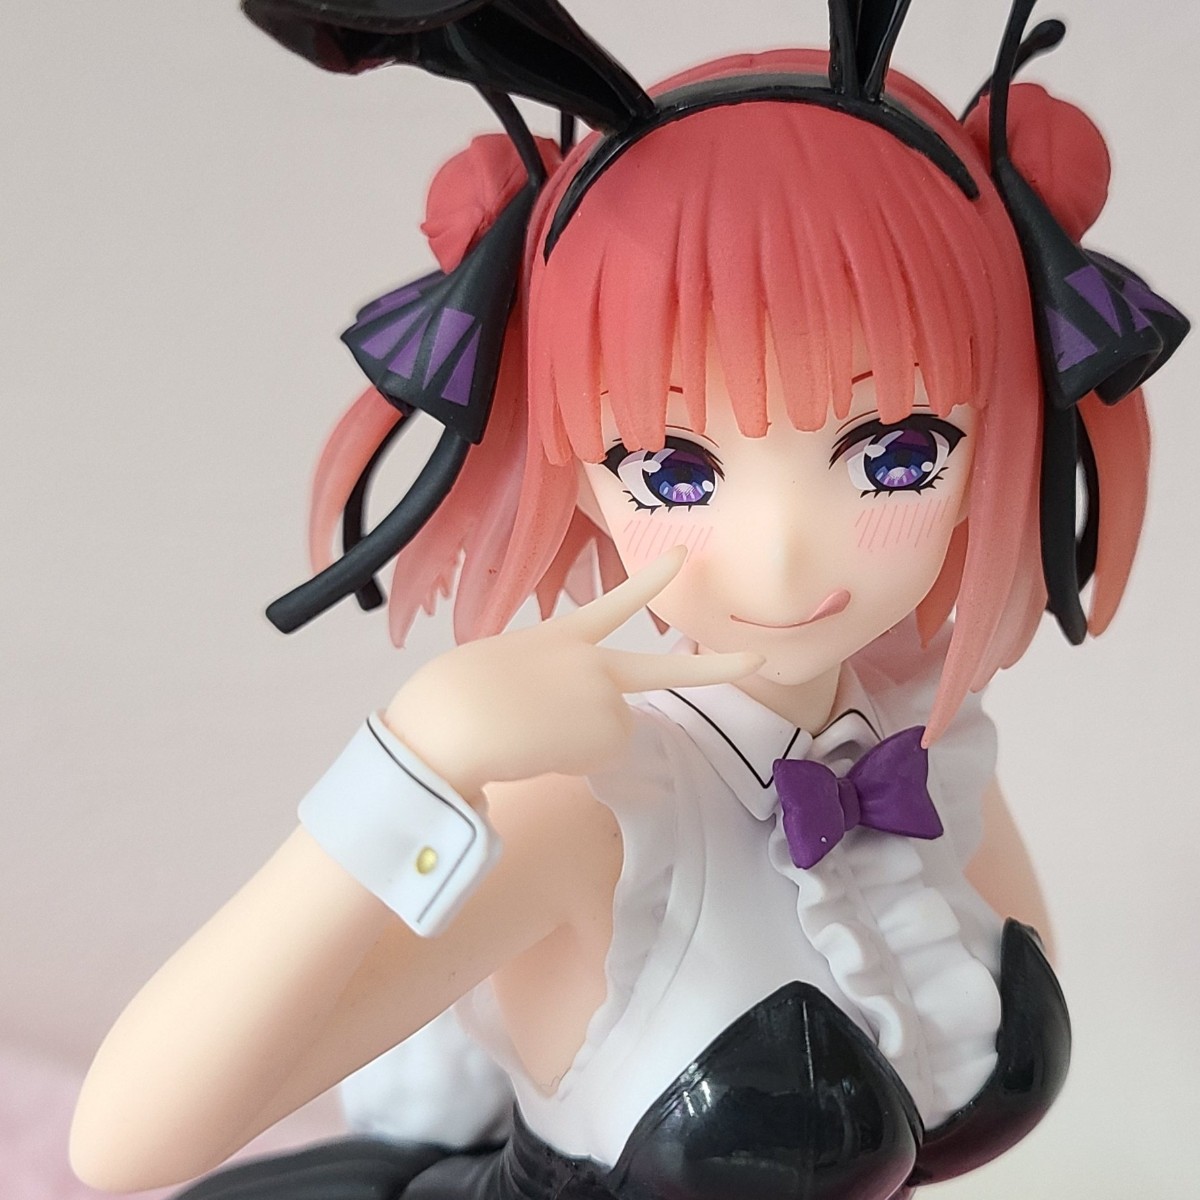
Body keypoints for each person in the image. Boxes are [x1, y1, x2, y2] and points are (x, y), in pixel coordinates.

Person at [68, 1, 1187, 1198]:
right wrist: (415, 759)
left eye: (897, 452)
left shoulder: (928, 731)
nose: (781, 558)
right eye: (675, 472)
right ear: (577, 476)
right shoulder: (594, 810)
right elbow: (125, 1144)